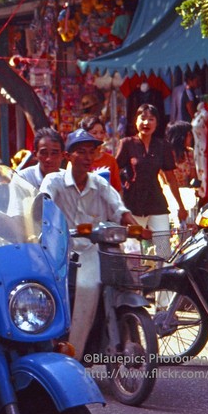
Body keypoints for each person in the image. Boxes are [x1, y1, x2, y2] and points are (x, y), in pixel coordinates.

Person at [40, 128, 143, 358]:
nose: (87, 158)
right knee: (85, 287)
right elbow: (43, 205)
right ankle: (72, 353)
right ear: (68, 156)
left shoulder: (99, 183)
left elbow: (119, 209)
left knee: (125, 280)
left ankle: (126, 336)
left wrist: (136, 228)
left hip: (97, 249)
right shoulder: (54, 181)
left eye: (91, 152)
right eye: (81, 152)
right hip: (64, 252)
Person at [116, 104, 188, 260]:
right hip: (133, 202)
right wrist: (117, 202)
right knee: (132, 252)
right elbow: (115, 171)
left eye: (151, 119)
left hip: (156, 201)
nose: (146, 123)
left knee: (164, 250)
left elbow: (170, 178)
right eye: (143, 118)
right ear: (136, 121)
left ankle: (163, 282)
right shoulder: (127, 143)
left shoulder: (162, 146)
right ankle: (135, 284)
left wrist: (181, 206)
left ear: (157, 123)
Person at [80, 116, 123, 192]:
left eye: (101, 132)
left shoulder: (110, 161)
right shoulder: (77, 160)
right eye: (94, 133)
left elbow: (117, 190)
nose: (99, 136)